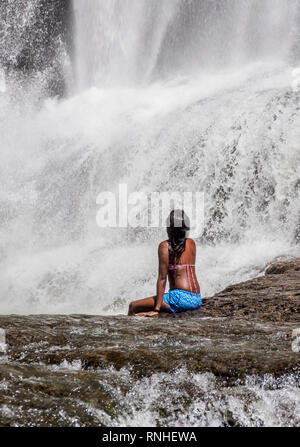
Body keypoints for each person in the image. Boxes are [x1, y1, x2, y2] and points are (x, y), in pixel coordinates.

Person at [128, 210, 202, 317]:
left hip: (179, 299)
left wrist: (156, 310)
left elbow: (162, 278)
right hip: (196, 299)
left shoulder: (165, 246)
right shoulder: (191, 243)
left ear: (169, 229)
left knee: (133, 306)